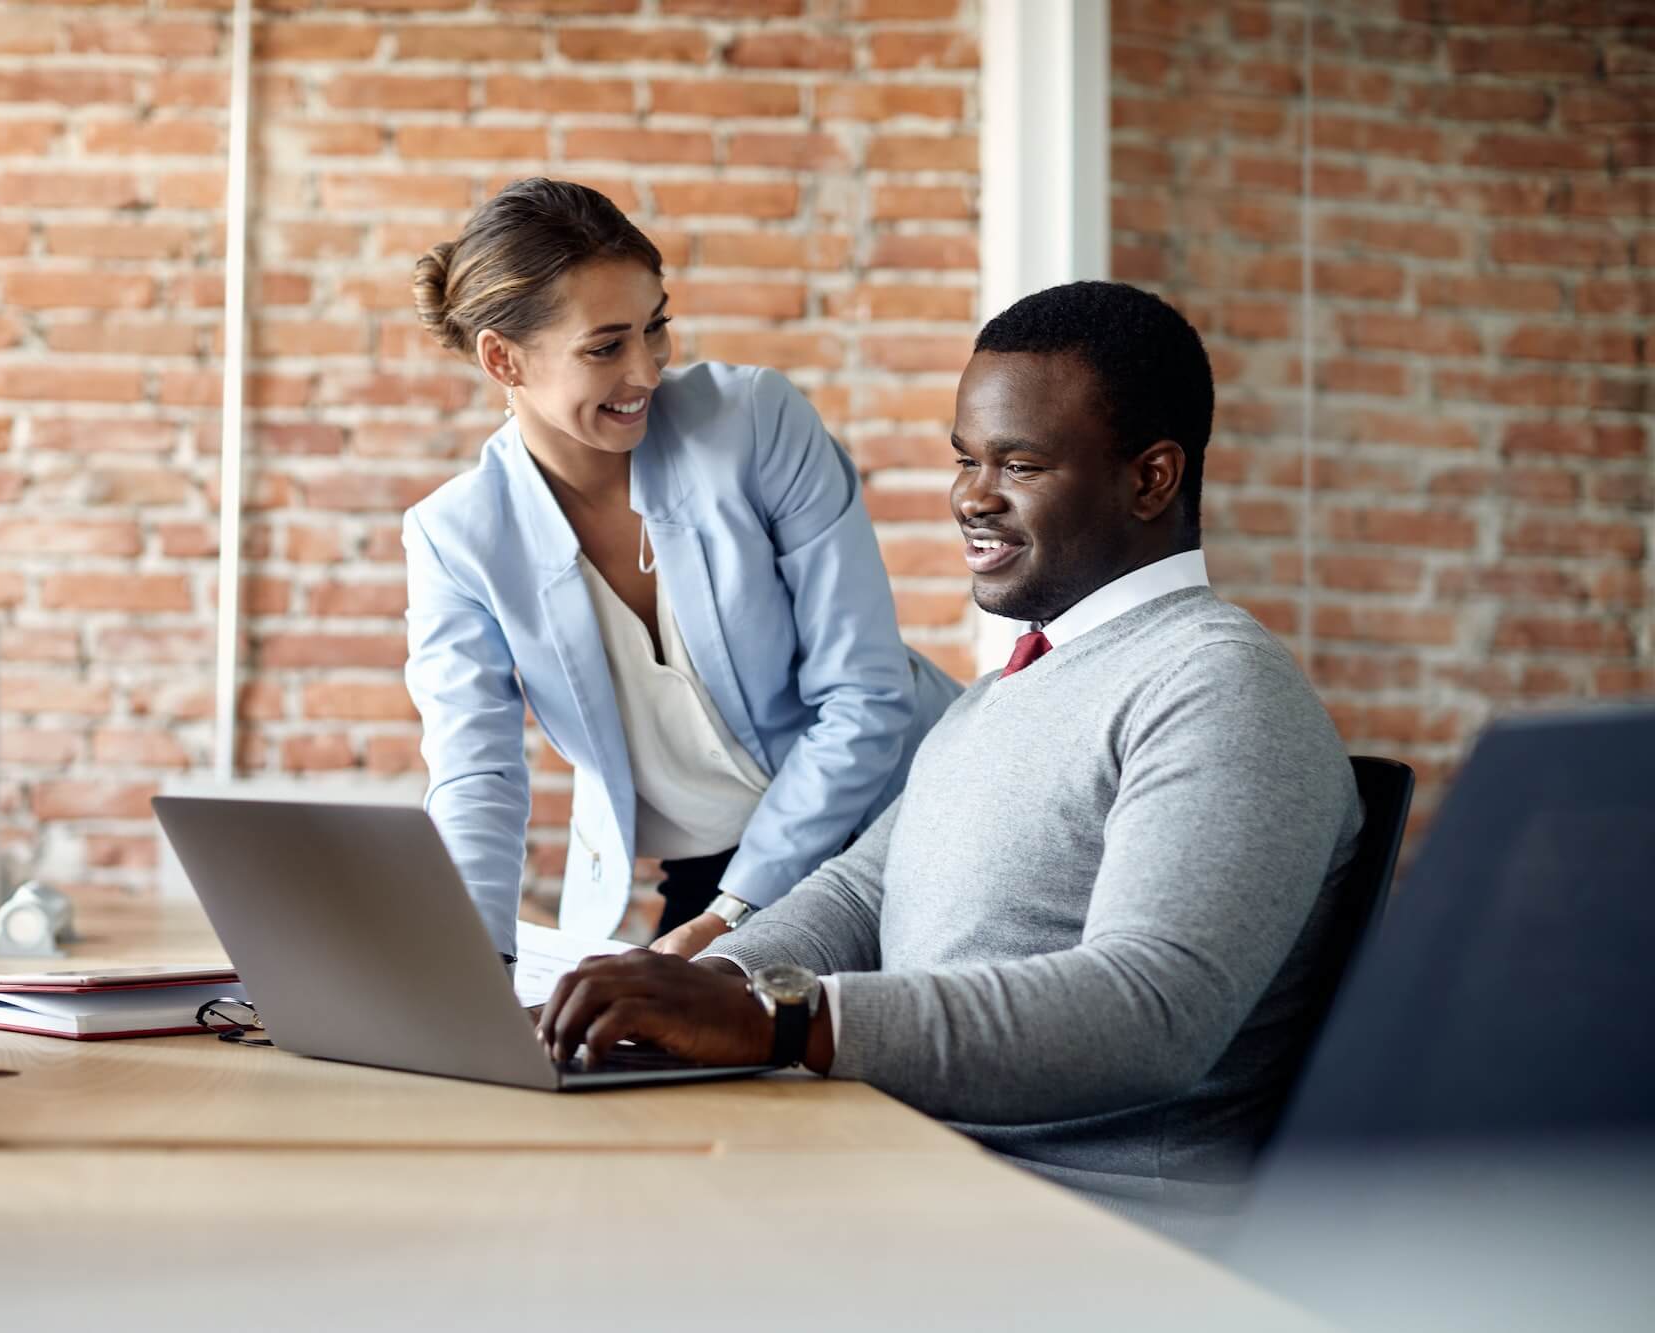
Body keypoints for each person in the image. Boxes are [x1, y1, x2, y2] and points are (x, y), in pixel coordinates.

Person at [539, 280, 1366, 1228]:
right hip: (905, 1177)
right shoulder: (1001, 694)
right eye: (966, 459)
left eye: (1019, 463)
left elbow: (1152, 1011)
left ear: (1151, 479)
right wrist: (702, 987)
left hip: (1076, 1228)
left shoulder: (1218, 685)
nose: (972, 496)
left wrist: (786, 1018)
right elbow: (858, 895)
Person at [403, 178, 960, 963]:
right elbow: (478, 775)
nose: (647, 370)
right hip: (712, 872)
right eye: (606, 347)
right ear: (504, 359)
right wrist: (473, 969)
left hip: (904, 815)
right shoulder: (456, 537)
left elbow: (865, 695)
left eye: (654, 328)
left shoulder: (755, 423)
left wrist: (728, 919)